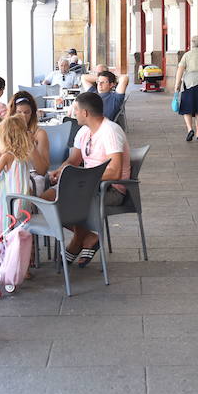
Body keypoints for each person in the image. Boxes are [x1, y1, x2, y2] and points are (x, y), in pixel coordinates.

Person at [43, 92, 131, 267]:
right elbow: (74, 160)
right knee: (44, 200)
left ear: (85, 113)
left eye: (75, 109)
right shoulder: (84, 131)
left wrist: (80, 177)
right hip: (85, 185)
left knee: (68, 201)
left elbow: (114, 171)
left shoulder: (110, 131)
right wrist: (60, 171)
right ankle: (88, 237)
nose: (73, 113)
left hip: (110, 188)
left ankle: (77, 241)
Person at [0, 115, 35, 235]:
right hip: (23, 198)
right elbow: (2, 155)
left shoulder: (6, 156)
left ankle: (6, 249)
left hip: (10, 198)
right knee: (19, 230)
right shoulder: (23, 155)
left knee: (7, 227)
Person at [7, 91, 51, 175]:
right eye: (19, 112)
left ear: (32, 114)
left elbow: (42, 171)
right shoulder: (7, 133)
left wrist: (31, 145)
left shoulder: (40, 134)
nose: (23, 116)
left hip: (31, 178)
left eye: (27, 112)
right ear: (12, 114)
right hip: (11, 176)